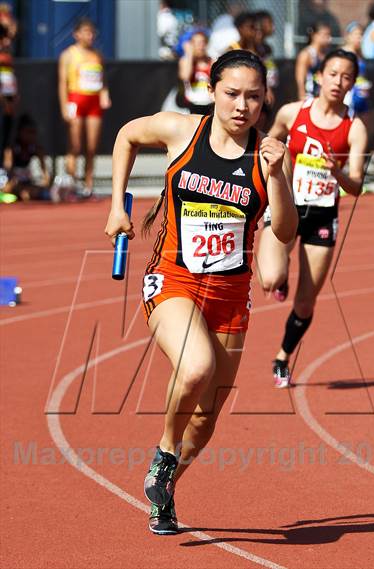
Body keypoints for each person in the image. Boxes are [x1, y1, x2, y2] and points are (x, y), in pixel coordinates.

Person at [105, 50, 297, 534]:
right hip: (172, 279)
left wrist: (276, 177)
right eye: (232, 94)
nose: (242, 106)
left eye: (254, 96)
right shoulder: (180, 131)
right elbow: (127, 134)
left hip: (230, 297)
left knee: (207, 420)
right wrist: (116, 205)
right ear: (211, 90)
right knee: (196, 367)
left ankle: (163, 491)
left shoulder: (270, 154)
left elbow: (287, 231)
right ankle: (164, 454)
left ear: (265, 100)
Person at [258, 49, 368, 388]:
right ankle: (282, 276)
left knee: (306, 301)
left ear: (352, 82)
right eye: (333, 73)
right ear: (320, 75)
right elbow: (267, 141)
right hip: (286, 204)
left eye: (346, 76)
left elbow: (357, 185)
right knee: (270, 278)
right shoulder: (293, 113)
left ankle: (282, 357)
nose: (338, 81)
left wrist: (338, 173)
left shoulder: (354, 128)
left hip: (322, 214)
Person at [58, 18, 111, 196]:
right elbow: (62, 82)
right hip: (76, 100)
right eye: (86, 32)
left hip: (93, 102)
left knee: (91, 146)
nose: (90, 36)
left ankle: (88, 184)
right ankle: (72, 182)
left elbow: (102, 79)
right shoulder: (68, 55)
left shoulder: (97, 55)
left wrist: (105, 94)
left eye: (92, 32)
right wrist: (65, 106)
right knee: (75, 144)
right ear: (76, 34)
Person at [2, 114, 50, 201]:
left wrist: (46, 181)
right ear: (20, 132)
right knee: (11, 189)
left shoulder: (36, 148)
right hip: (11, 183)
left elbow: (45, 173)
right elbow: (8, 171)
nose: (32, 136)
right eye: (29, 132)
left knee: (36, 192)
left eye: (34, 132)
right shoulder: (12, 149)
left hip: (26, 183)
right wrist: (13, 184)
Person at [177, 30, 213, 115]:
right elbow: (185, 76)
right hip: (191, 106)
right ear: (191, 44)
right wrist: (189, 54)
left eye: (202, 42)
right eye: (196, 43)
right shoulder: (185, 61)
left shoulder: (212, 62)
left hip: (209, 105)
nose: (200, 46)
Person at [295, 23, 332, 100]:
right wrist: (302, 95)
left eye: (329, 35)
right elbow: (300, 79)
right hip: (310, 97)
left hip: (322, 97)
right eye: (325, 34)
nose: (329, 38)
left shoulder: (326, 55)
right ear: (314, 35)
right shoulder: (306, 54)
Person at [342, 22, 372, 116]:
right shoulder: (343, 53)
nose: (360, 38)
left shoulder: (360, 54)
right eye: (357, 35)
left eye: (361, 35)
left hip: (361, 94)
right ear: (348, 36)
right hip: (350, 94)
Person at [0, 21, 17, 169]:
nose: (7, 41)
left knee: (6, 139)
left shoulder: (7, 56)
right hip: (3, 104)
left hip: (7, 105)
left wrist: (12, 99)